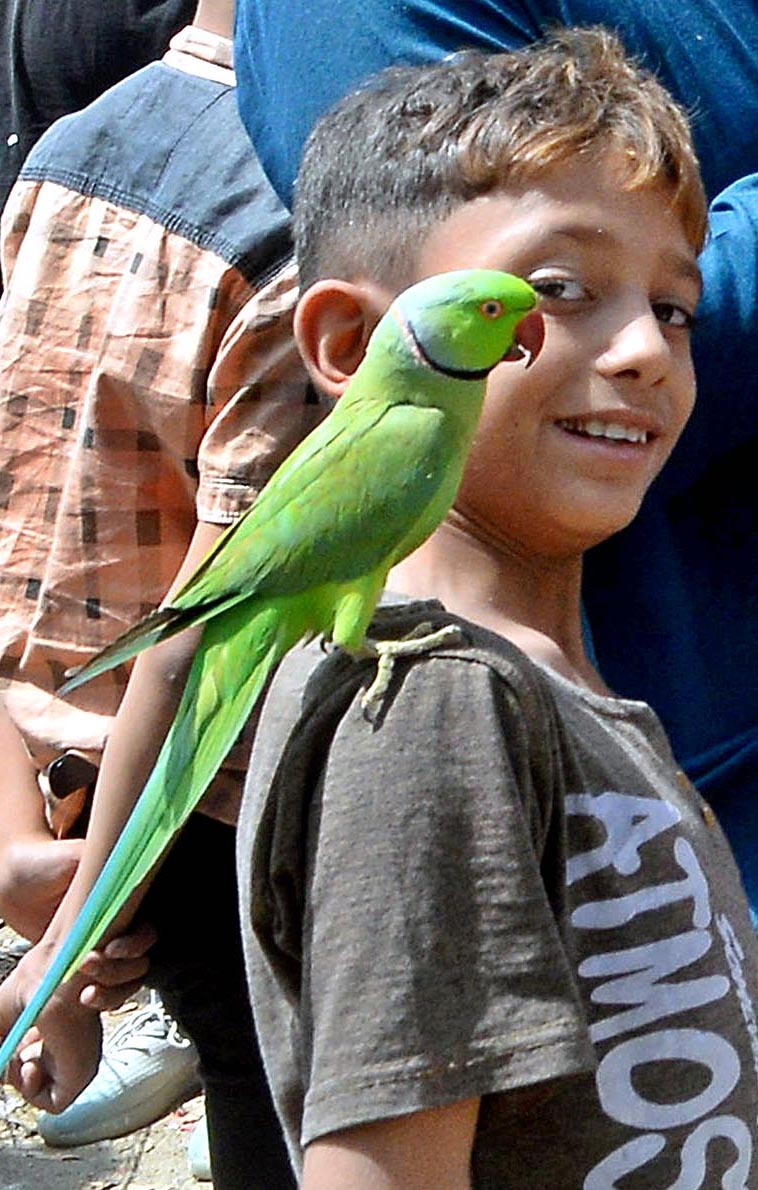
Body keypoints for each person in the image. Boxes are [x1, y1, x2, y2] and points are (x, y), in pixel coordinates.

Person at [236, 30, 758, 1185]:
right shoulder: (429, 705)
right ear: (344, 339)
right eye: (554, 289)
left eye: (675, 308)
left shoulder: (547, 683)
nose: (639, 350)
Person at [0, 1, 307, 1184]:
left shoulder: (69, 143)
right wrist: (72, 941)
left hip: (65, 777)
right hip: (189, 793)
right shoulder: (304, 211)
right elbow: (202, 629)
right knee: (265, 1088)